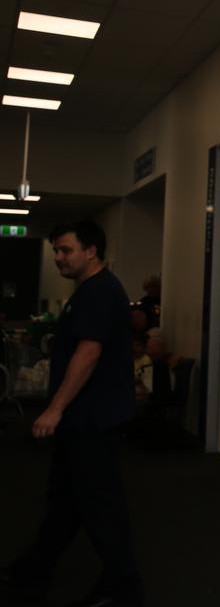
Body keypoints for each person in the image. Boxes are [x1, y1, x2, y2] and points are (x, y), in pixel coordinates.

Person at [1, 221, 144, 606]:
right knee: (65, 500)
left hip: (92, 421)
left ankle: (124, 587)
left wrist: (54, 408)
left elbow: (89, 353)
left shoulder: (100, 292)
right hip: (81, 420)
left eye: (65, 250)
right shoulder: (88, 291)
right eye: (55, 252)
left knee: (100, 505)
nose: (59, 258)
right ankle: (34, 568)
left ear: (91, 251)